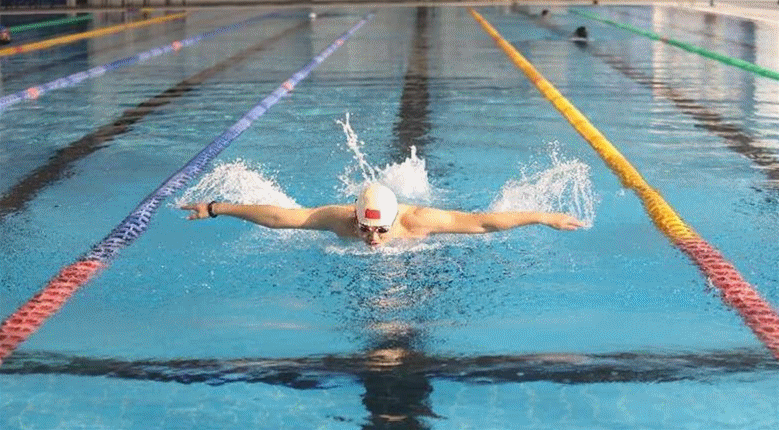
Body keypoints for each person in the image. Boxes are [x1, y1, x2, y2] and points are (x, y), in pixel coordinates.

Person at [181, 183, 584, 248]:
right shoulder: (340, 218)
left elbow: (483, 222)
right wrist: (217, 208)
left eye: (379, 230)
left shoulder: (418, 220)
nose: (372, 239)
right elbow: (281, 218)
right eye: (365, 228)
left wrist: (544, 217)